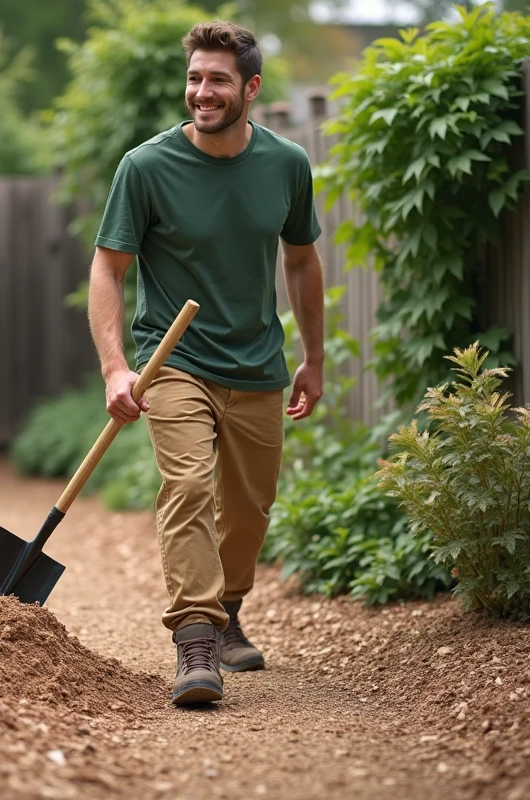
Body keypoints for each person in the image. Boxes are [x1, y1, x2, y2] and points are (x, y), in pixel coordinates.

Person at [86, 19, 326, 705]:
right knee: (188, 489)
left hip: (257, 363)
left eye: (218, 79)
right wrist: (114, 368)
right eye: (195, 77)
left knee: (250, 512)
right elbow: (107, 270)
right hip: (174, 359)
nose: (202, 91)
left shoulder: (286, 165)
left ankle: (228, 609)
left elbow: (303, 262)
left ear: (250, 87)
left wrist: (313, 358)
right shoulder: (146, 167)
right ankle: (196, 642)